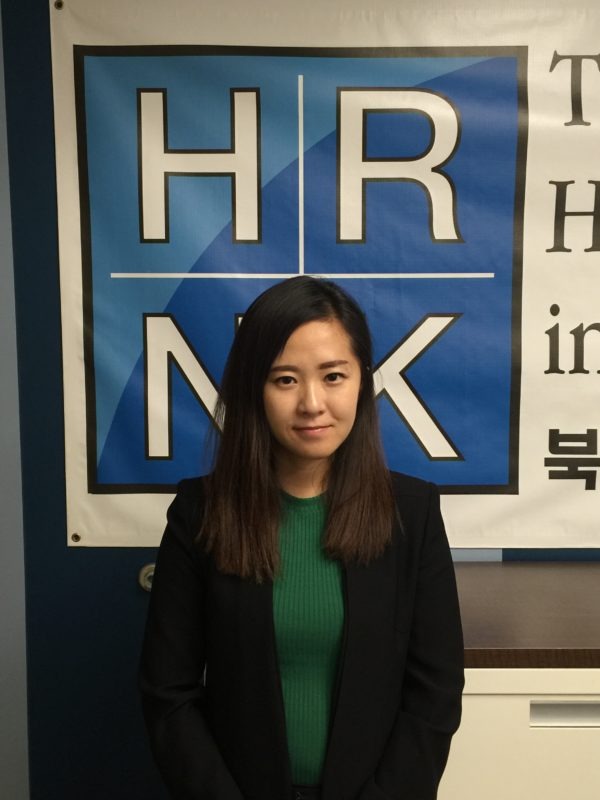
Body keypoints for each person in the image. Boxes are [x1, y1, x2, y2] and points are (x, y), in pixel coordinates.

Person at [139, 276, 464, 800]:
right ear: (254, 390)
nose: (312, 403)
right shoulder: (200, 513)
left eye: (333, 376)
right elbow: (168, 695)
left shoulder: (413, 513)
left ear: (362, 382)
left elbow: (435, 694)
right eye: (285, 380)